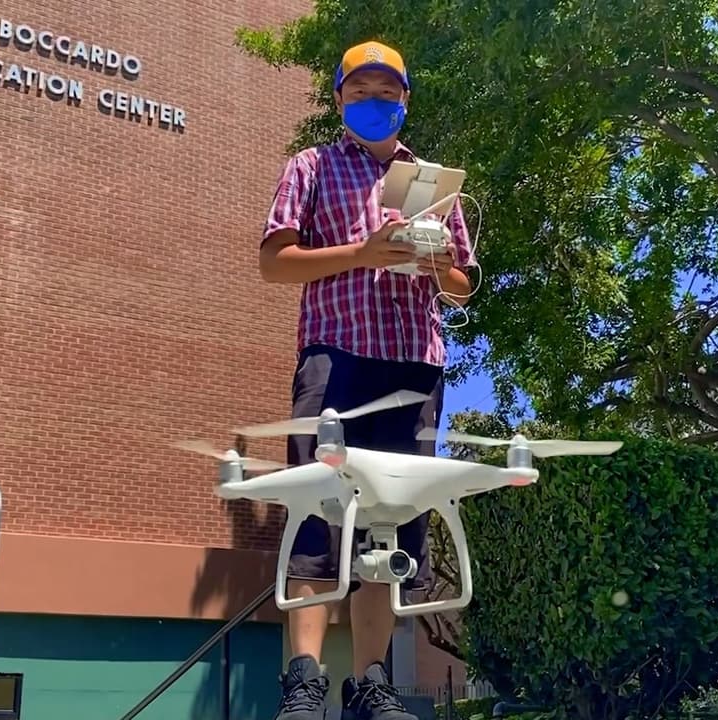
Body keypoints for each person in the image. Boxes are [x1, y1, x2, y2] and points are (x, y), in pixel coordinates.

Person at [258, 39, 475, 720]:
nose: (375, 104)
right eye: (360, 93)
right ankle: (304, 682)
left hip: (415, 363)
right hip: (337, 356)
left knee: (390, 528)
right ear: (340, 100)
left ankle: (372, 684)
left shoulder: (435, 184)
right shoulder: (311, 165)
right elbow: (275, 263)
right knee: (321, 514)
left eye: (388, 93)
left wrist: (434, 263)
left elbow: (464, 286)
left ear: (406, 99)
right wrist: (362, 253)